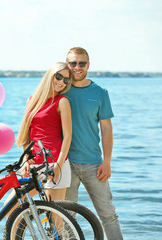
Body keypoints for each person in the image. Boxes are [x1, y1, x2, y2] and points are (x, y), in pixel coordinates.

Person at [63, 47, 123, 239]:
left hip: (94, 164)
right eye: (73, 63)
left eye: (82, 63)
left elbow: (106, 129)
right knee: (65, 217)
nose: (77, 67)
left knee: (108, 215)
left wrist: (107, 161)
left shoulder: (100, 92)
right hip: (65, 164)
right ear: (67, 65)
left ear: (88, 65)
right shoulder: (59, 90)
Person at [17, 61, 73, 201]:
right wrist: (25, 161)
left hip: (54, 163)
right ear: (50, 75)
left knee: (54, 218)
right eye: (59, 77)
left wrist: (58, 167)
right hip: (33, 165)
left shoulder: (62, 102)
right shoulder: (31, 101)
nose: (62, 82)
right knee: (12, 207)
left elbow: (68, 136)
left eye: (66, 80)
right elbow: (26, 135)